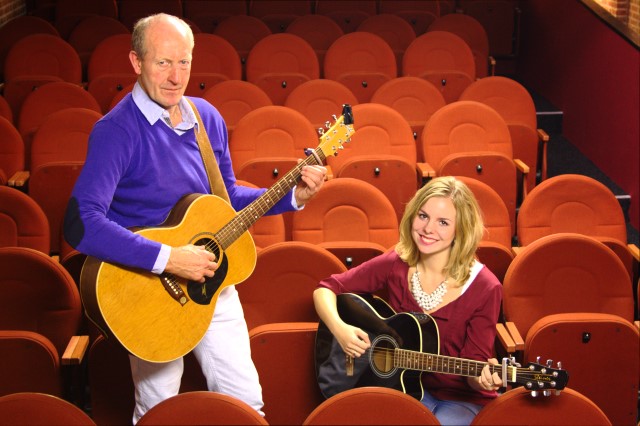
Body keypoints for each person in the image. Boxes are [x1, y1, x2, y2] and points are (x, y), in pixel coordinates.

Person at [63, 13, 327, 423]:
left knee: (245, 404)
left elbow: (226, 198)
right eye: (162, 63)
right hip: (150, 290)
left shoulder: (206, 117)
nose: (175, 77)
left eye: (183, 62)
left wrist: (295, 194)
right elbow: (81, 223)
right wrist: (169, 258)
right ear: (136, 62)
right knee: (159, 411)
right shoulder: (115, 131)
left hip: (213, 284)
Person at [313, 176, 503, 425]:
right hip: (399, 387)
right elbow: (326, 289)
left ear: (461, 230)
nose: (428, 229)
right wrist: (341, 330)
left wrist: (484, 377)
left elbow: (474, 367)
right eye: (423, 216)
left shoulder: (486, 287)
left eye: (443, 222)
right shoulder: (396, 262)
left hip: (458, 399)